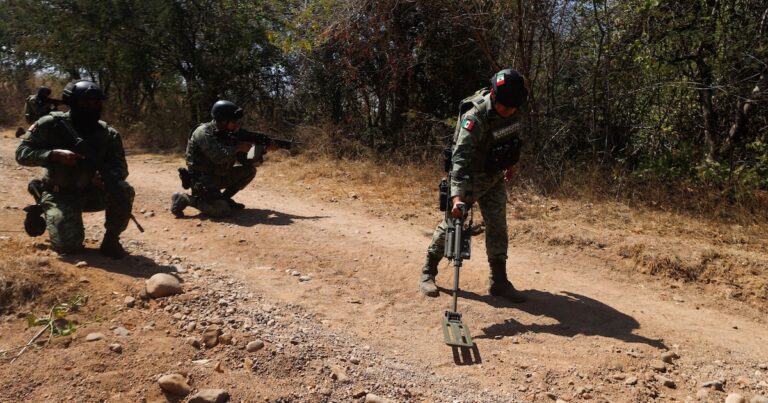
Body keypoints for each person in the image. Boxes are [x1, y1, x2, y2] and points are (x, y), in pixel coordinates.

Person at [419, 68, 528, 302]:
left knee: (498, 226)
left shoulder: (513, 107)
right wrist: (457, 196)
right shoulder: (475, 117)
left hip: (494, 176)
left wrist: (511, 163)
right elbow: (460, 159)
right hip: (469, 176)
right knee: (452, 224)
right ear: (494, 96)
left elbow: (511, 138)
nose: (509, 112)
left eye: (513, 108)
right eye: (505, 107)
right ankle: (428, 271)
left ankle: (499, 281)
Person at [16, 80, 135, 258]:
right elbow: (22, 153)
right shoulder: (51, 124)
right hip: (59, 193)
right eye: (85, 103)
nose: (91, 107)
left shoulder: (108, 133)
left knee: (123, 190)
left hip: (91, 192)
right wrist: (53, 154)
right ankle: (41, 197)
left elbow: (120, 168)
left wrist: (105, 177)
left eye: (96, 103)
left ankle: (111, 240)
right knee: (68, 248)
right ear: (72, 103)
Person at [171, 100, 274, 218]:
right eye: (233, 121)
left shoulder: (227, 134)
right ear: (223, 120)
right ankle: (185, 199)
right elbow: (219, 158)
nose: (236, 125)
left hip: (220, 176)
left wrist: (261, 150)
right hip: (203, 180)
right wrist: (238, 147)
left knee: (249, 171)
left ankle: (224, 198)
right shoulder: (203, 133)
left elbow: (246, 161)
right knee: (222, 210)